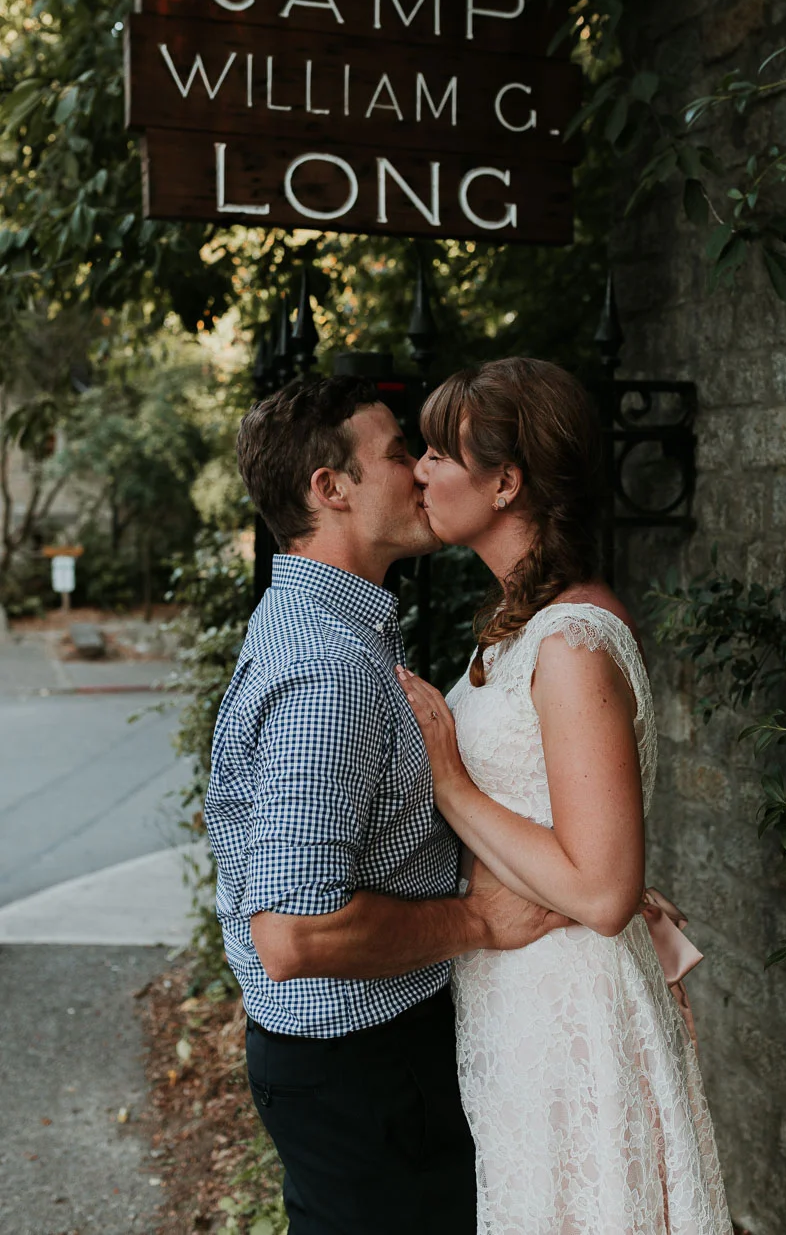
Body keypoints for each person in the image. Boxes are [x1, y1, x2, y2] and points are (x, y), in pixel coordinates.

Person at [204, 374, 568, 1235]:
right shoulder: (328, 673)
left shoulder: (324, 630)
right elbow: (293, 934)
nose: (420, 472)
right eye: (400, 453)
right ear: (329, 489)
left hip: (359, 1061)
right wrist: (478, 923)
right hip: (361, 1069)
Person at [398, 357, 733, 1235]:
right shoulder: (522, 626)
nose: (419, 470)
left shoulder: (573, 642)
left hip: (571, 1007)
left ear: (506, 482)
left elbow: (602, 888)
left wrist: (450, 784)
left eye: (439, 452)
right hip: (518, 1006)